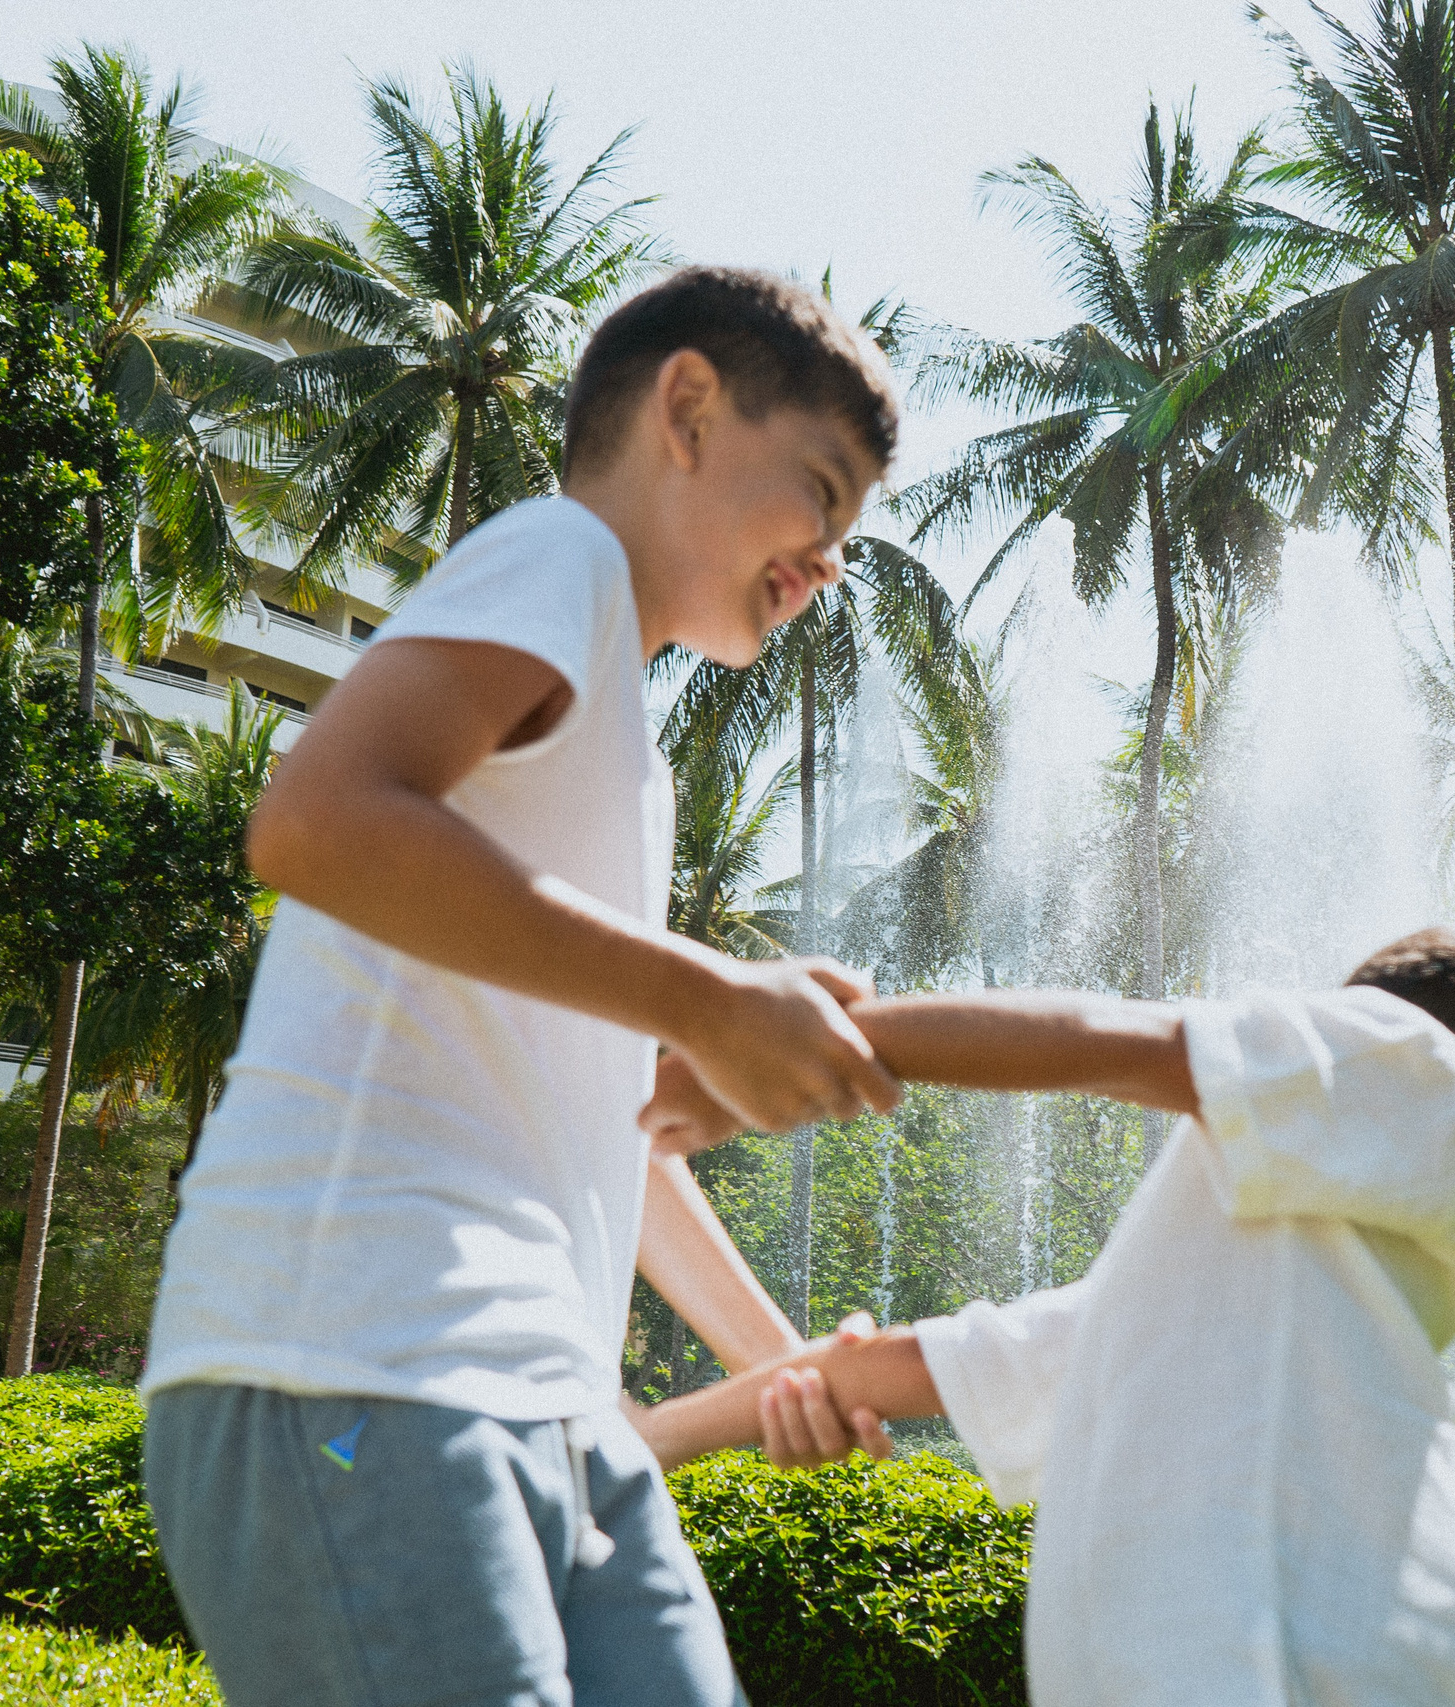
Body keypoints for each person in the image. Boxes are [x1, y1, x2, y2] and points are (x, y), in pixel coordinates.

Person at [139, 266, 911, 1707]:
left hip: (555, 1401)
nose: (827, 560)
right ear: (688, 409)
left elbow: (609, 1120)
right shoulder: (559, 555)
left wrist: (787, 1363)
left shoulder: (630, 758)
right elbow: (316, 820)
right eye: (819, 492)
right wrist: (710, 999)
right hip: (358, 1358)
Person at [632, 926, 1455, 1707]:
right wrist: (766, 1057)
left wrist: (650, 1437)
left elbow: (892, 1366)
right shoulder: (1440, 1084)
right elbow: (1116, 1038)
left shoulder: (1196, 1315)